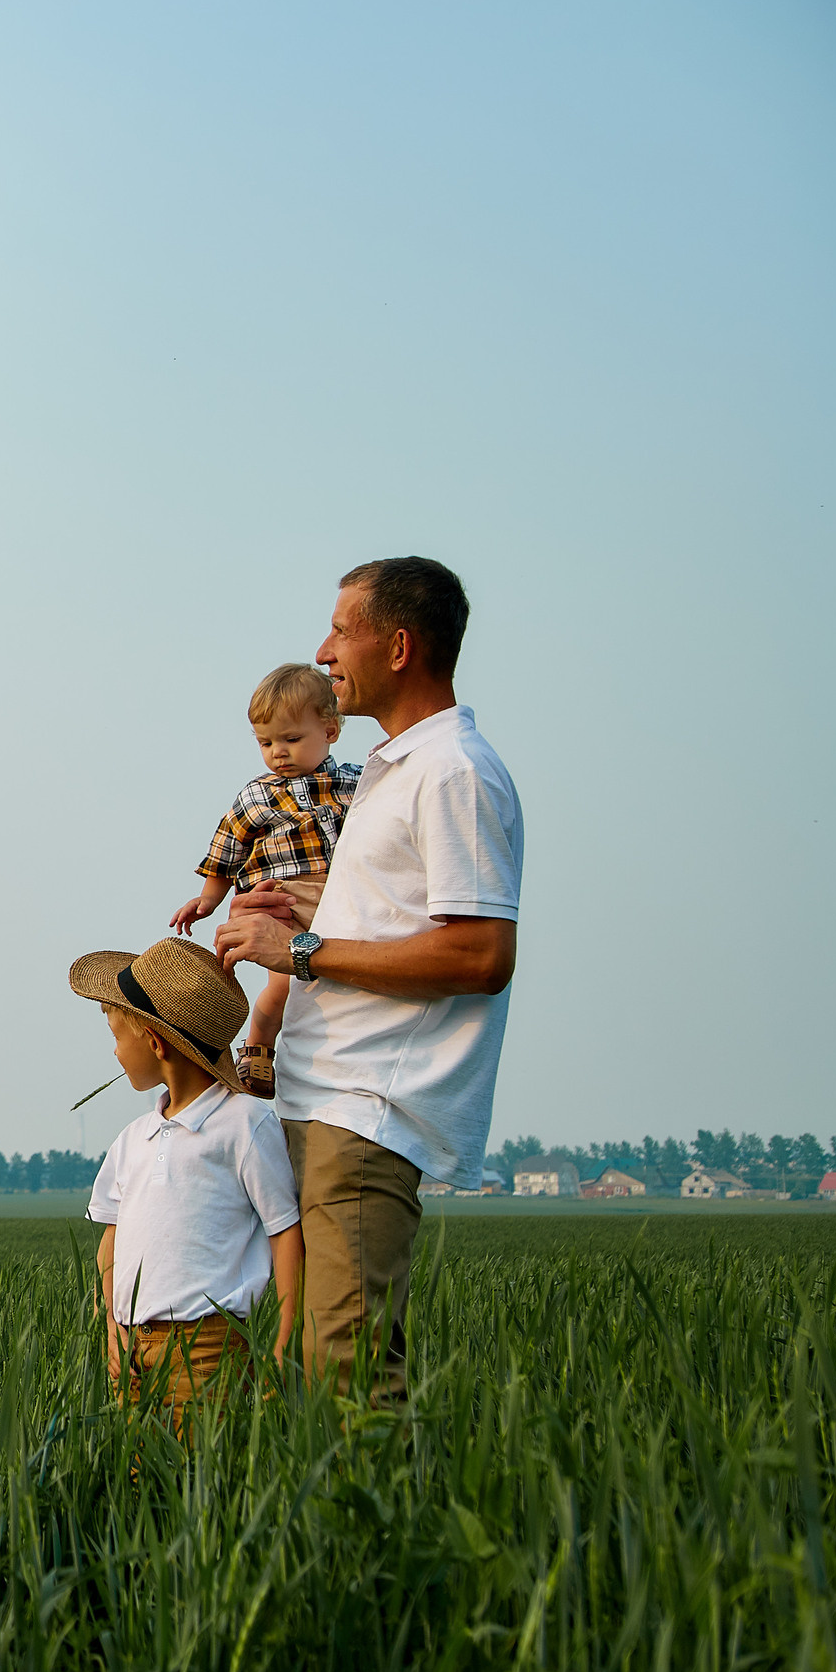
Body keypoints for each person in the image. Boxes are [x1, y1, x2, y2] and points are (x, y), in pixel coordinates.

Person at [215, 558, 521, 1402]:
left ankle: (369, 1534)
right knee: (313, 1364)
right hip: (324, 1096)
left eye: (340, 629)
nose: (322, 650)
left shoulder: (453, 772)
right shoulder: (394, 771)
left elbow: (481, 955)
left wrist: (300, 952)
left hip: (370, 1103)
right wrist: (303, 906)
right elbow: (401, 918)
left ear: (397, 644)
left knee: (347, 1377)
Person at [75, 937, 303, 1411]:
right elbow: (112, 1241)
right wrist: (113, 1324)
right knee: (136, 1476)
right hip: (130, 1349)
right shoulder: (134, 1138)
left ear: (156, 1043)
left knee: (202, 1472)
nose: (115, 1053)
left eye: (118, 1037)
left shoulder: (245, 1124)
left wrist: (284, 1343)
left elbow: (285, 1232)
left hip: (208, 1350)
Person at [169, 664, 361, 1099]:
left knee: (339, 974)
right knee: (282, 983)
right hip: (284, 898)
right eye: (266, 742)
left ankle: (330, 1055)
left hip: (339, 896)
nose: (279, 752)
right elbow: (226, 848)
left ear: (330, 730)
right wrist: (207, 900)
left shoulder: (354, 781)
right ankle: (258, 1049)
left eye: (292, 739)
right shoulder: (257, 796)